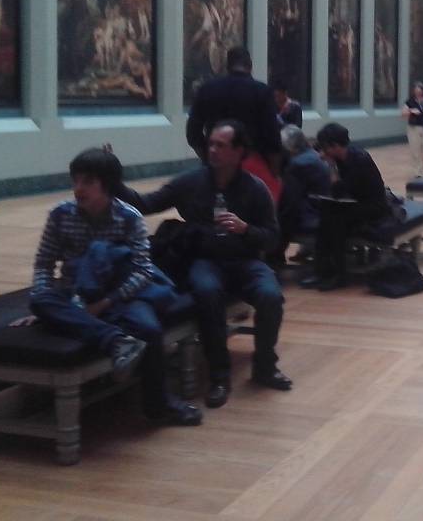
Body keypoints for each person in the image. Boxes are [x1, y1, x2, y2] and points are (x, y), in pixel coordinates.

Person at [114, 120, 292, 409]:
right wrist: (114, 181)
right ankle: (219, 376)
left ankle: (265, 366)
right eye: (211, 144)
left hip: (245, 261)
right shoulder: (191, 182)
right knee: (207, 292)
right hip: (206, 260)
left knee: (271, 296)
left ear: (239, 152)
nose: (212, 150)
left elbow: (272, 238)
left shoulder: (254, 188)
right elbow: (146, 204)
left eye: (220, 145)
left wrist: (245, 229)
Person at [29, 148, 202, 425]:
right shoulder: (60, 215)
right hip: (77, 294)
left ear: (107, 185)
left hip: (120, 295)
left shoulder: (129, 217)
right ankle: (117, 341)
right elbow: (44, 264)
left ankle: (159, 406)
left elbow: (143, 271)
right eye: (75, 181)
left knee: (149, 329)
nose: (78, 189)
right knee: (39, 300)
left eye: (88, 182)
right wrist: (46, 298)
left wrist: (105, 303)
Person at [186, 46, 283, 200]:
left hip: (217, 168)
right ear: (250, 65)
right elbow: (272, 137)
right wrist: (274, 172)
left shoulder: (207, 89)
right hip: (253, 166)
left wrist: (208, 156)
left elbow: (192, 133)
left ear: (227, 65)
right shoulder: (262, 92)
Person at [305, 123, 392, 291]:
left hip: (373, 206)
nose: (323, 152)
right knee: (326, 215)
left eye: (325, 147)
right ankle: (322, 271)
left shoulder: (359, 160)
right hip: (355, 203)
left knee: (336, 220)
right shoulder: (342, 158)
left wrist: (331, 167)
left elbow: (341, 191)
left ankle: (339, 274)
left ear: (335, 146)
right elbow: (339, 193)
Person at [276, 124, 331, 265]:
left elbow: (291, 202)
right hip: (323, 209)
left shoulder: (297, 164)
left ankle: (274, 257)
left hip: (313, 216)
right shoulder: (312, 154)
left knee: (276, 220)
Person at [401, 82, 423, 178]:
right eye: (416, 91)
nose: (417, 93)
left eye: (419, 91)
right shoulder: (410, 102)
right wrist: (411, 111)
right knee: (415, 151)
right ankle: (418, 172)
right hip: (413, 128)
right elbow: (403, 114)